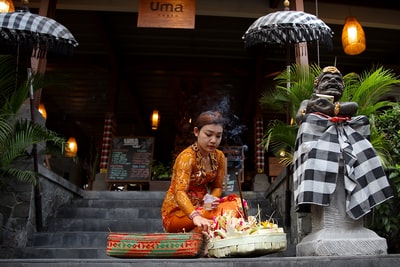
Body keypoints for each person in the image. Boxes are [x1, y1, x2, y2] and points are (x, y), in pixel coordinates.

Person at [293, 66, 392, 219]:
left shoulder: (344, 103)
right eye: (327, 79)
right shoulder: (308, 101)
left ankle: (357, 149)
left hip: (344, 130)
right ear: (316, 84)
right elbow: (299, 118)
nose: (333, 82)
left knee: (362, 121)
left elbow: (354, 107)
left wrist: (333, 109)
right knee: (310, 120)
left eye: (338, 80)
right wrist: (313, 107)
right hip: (318, 133)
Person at [161, 110, 245, 233]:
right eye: (208, 134)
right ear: (196, 132)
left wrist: (211, 199)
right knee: (220, 217)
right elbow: (179, 192)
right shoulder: (187, 157)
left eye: (218, 136)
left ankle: (200, 230)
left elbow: (217, 187)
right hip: (179, 214)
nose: (213, 140)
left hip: (204, 208)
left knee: (237, 204)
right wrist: (195, 216)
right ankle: (199, 229)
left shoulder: (220, 156)